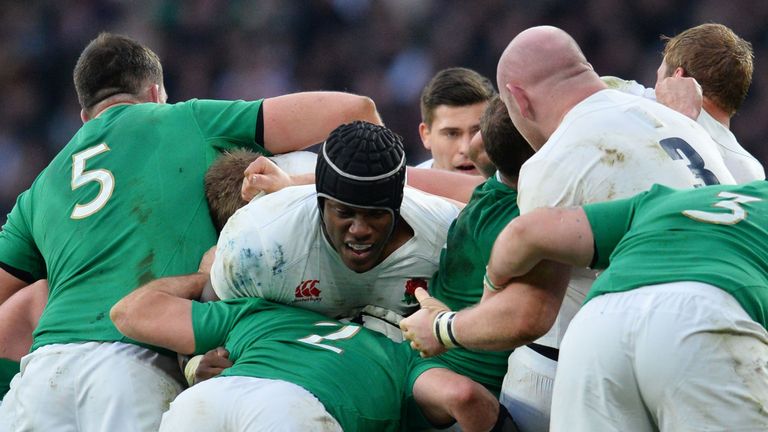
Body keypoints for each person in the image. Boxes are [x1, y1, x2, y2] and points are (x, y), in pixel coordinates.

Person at [0, 32, 384, 431]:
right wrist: (292, 183)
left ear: (84, 116)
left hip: (41, 378)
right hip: (132, 365)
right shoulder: (187, 118)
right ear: (155, 92)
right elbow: (356, 109)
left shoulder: (40, 187)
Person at [407, 25, 737, 432]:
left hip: (634, 357)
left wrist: (443, 328)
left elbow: (530, 316)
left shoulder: (559, 159)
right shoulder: (675, 118)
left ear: (521, 100)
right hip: (733, 329)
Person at [434, 181, 768, 431]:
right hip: (705, 315)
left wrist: (490, 288)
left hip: (597, 326)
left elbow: (528, 231)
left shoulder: (676, 198)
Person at [110, 264, 513, 432]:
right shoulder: (402, 357)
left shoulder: (261, 313)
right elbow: (464, 395)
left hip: (205, 403)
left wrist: (202, 277)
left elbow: (130, 312)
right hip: (293, 414)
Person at [414, 94, 533, 397]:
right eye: (452, 133)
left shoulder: (485, 192)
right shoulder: (528, 222)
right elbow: (523, 318)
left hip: (428, 364)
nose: (464, 147)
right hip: (481, 382)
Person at [606, 23, 764, 184]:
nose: (654, 88)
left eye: (658, 77)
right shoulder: (753, 174)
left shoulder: (627, 96)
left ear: (677, 77)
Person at [416, 67, 496, 175]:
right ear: (426, 135)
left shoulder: (522, 185)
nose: (466, 149)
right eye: (451, 134)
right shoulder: (399, 190)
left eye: (478, 132)